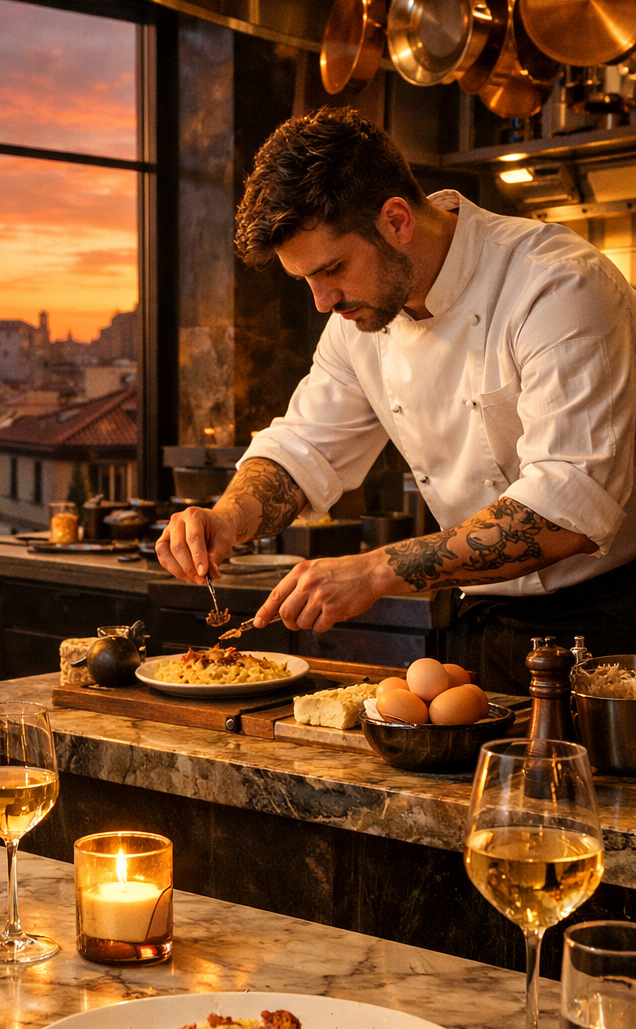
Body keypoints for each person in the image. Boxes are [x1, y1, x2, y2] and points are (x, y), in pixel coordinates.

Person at [156, 107, 636, 693]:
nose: (322, 301)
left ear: (396, 220)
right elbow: (304, 447)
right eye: (306, 280)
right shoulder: (362, 318)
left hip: (611, 630)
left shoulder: (556, 284)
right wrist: (228, 517)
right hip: (479, 621)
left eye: (332, 269)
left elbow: (567, 510)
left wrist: (375, 571)